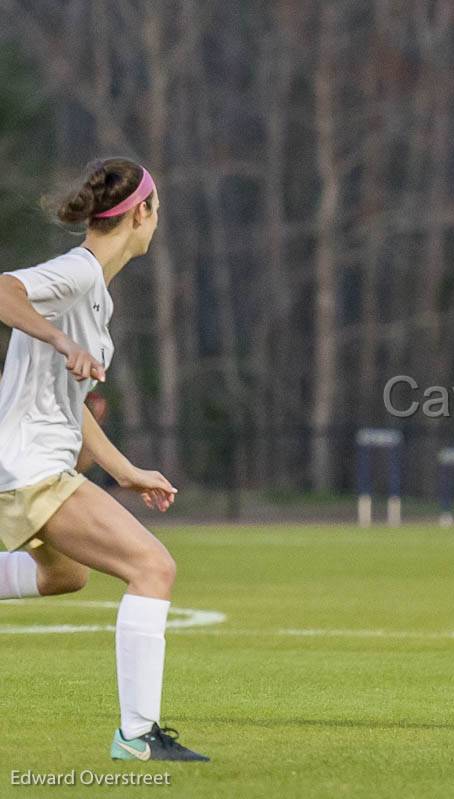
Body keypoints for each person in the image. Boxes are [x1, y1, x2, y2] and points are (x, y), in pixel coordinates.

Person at [0, 158, 208, 761]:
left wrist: (124, 470)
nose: (156, 223)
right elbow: (4, 289)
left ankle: (137, 736)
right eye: (157, 210)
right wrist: (59, 339)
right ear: (139, 213)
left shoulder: (97, 297)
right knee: (153, 567)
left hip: (34, 464)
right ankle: (137, 737)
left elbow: (71, 407)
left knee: (65, 576)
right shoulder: (78, 275)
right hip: (28, 469)